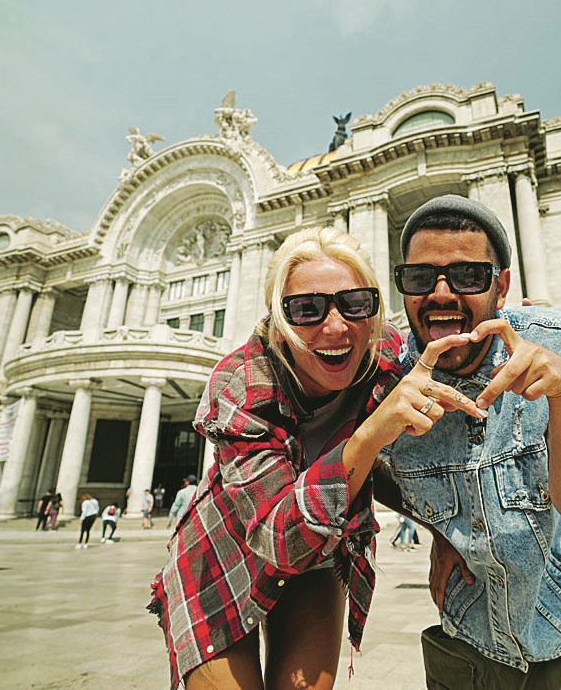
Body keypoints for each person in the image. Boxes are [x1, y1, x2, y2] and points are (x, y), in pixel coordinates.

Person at [378, 195, 561, 688]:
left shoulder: (558, 344)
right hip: (473, 635)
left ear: (502, 285)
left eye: (467, 276)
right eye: (421, 278)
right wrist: (439, 530)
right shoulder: (386, 381)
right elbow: (363, 470)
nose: (441, 294)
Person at [149, 226, 454, 690]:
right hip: (225, 554)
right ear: (279, 321)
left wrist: (443, 530)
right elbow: (280, 538)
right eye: (307, 309)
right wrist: (370, 434)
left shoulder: (387, 355)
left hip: (320, 549)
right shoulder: (241, 385)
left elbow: (466, 352)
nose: (336, 328)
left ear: (374, 309)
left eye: (355, 303)